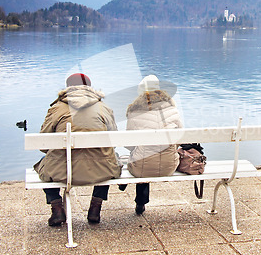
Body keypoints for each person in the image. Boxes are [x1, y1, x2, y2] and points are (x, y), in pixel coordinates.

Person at [33, 73, 121, 226]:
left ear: (68, 88)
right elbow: (113, 141)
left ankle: (57, 208)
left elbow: (43, 144)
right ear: (89, 88)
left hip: (62, 170)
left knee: (43, 162)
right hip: (101, 170)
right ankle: (95, 207)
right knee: (111, 158)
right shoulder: (103, 108)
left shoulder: (57, 109)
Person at [124, 75, 183, 215]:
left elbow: (129, 144)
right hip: (168, 166)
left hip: (141, 168)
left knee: (140, 157)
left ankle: (140, 201)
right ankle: (140, 202)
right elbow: (179, 138)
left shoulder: (135, 111)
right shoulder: (172, 110)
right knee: (146, 155)